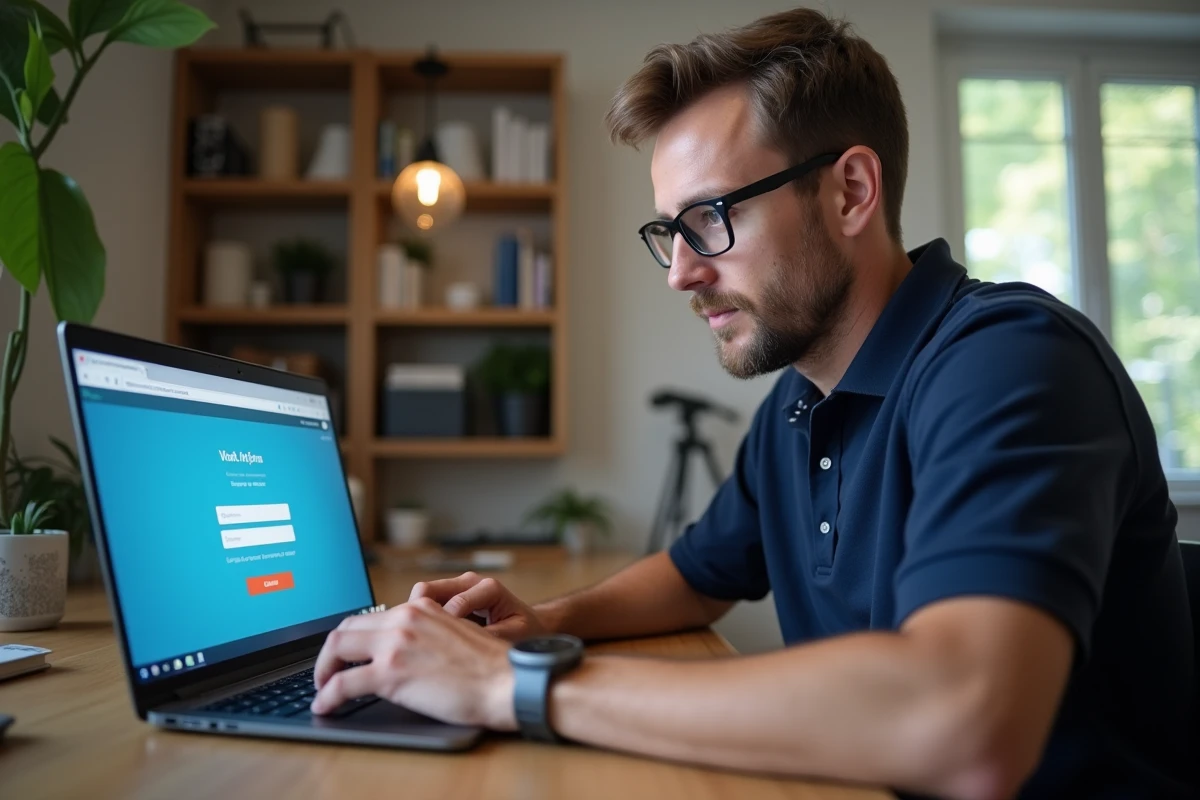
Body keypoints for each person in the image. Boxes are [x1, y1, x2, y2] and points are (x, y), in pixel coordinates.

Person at [310, 8, 1196, 799]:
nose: (682, 272)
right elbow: (697, 576)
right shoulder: (798, 403)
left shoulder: (1009, 361)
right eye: (670, 232)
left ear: (851, 189)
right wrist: (542, 623)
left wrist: (511, 687)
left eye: (711, 219)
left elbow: (965, 725)